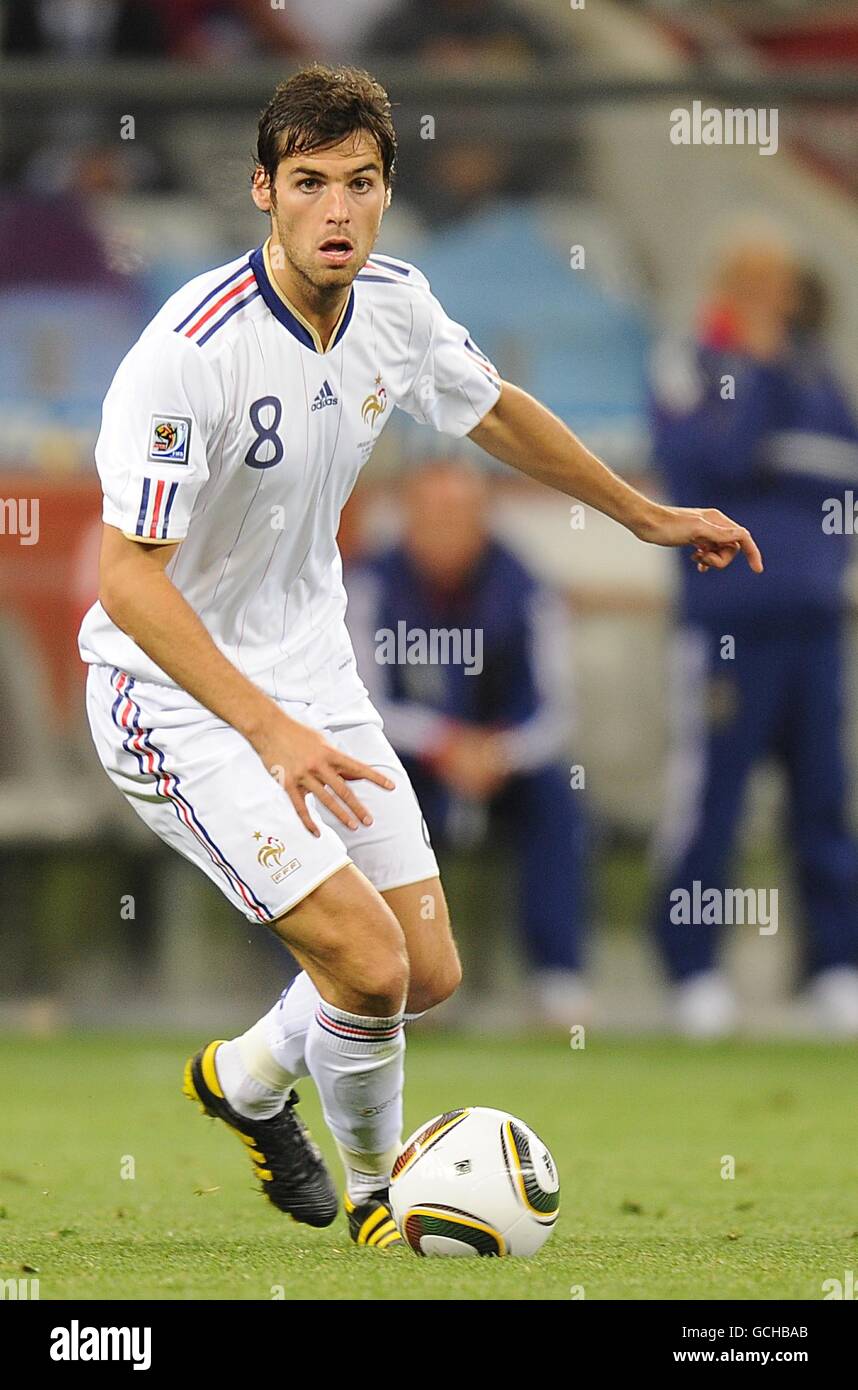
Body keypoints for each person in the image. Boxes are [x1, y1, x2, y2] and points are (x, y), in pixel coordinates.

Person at [78, 64, 762, 1251]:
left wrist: (645, 515)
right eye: (307, 185)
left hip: (311, 678)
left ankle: (245, 1076)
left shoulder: (394, 305)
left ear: (389, 192)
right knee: (365, 960)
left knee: (423, 970)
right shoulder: (188, 354)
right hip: (171, 695)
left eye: (358, 183)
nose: (335, 211)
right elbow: (126, 578)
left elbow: (492, 408)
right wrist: (263, 727)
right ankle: (373, 1198)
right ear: (262, 191)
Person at [648, 235, 858, 1037]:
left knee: (825, 797)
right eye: (760, 285)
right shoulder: (689, 363)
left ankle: (835, 964)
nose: (779, 301)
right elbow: (710, 465)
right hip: (728, 625)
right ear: (728, 286)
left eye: (786, 286)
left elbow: (838, 473)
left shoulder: (817, 371)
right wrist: (758, 377)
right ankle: (693, 969)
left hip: (813, 619)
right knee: (713, 798)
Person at [346, 460, 589, 1027]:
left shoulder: (526, 586)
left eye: (459, 513)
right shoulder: (368, 585)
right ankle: (397, 978)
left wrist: (500, 751)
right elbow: (355, 697)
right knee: (376, 802)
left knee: (559, 803)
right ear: (406, 517)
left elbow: (555, 709)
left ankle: (558, 977)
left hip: (506, 764)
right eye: (432, 514)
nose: (445, 528)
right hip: (405, 760)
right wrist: (441, 743)